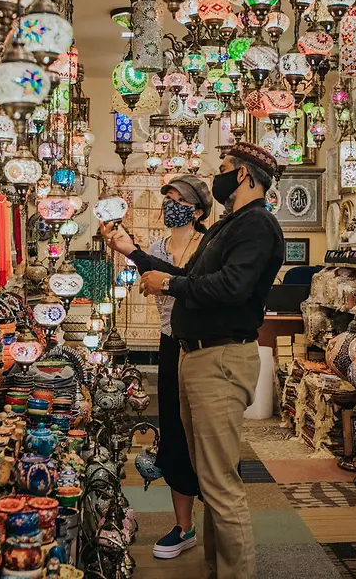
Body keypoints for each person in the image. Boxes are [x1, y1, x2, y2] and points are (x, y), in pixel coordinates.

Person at [100, 143, 284, 579]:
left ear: (243, 174)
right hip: (197, 355)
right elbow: (188, 277)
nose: (219, 176)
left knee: (221, 482)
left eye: (224, 168)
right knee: (208, 473)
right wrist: (136, 255)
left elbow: (231, 287)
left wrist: (169, 286)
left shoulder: (257, 225)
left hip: (220, 358)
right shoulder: (230, 224)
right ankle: (217, 567)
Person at [146, 174, 212, 560]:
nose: (170, 204)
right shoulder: (157, 247)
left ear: (198, 211)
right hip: (170, 343)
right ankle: (184, 526)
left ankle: (219, 526)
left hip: (203, 348)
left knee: (207, 433)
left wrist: (170, 283)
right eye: (167, 197)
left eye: (179, 199)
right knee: (173, 430)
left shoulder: (209, 246)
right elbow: (159, 296)